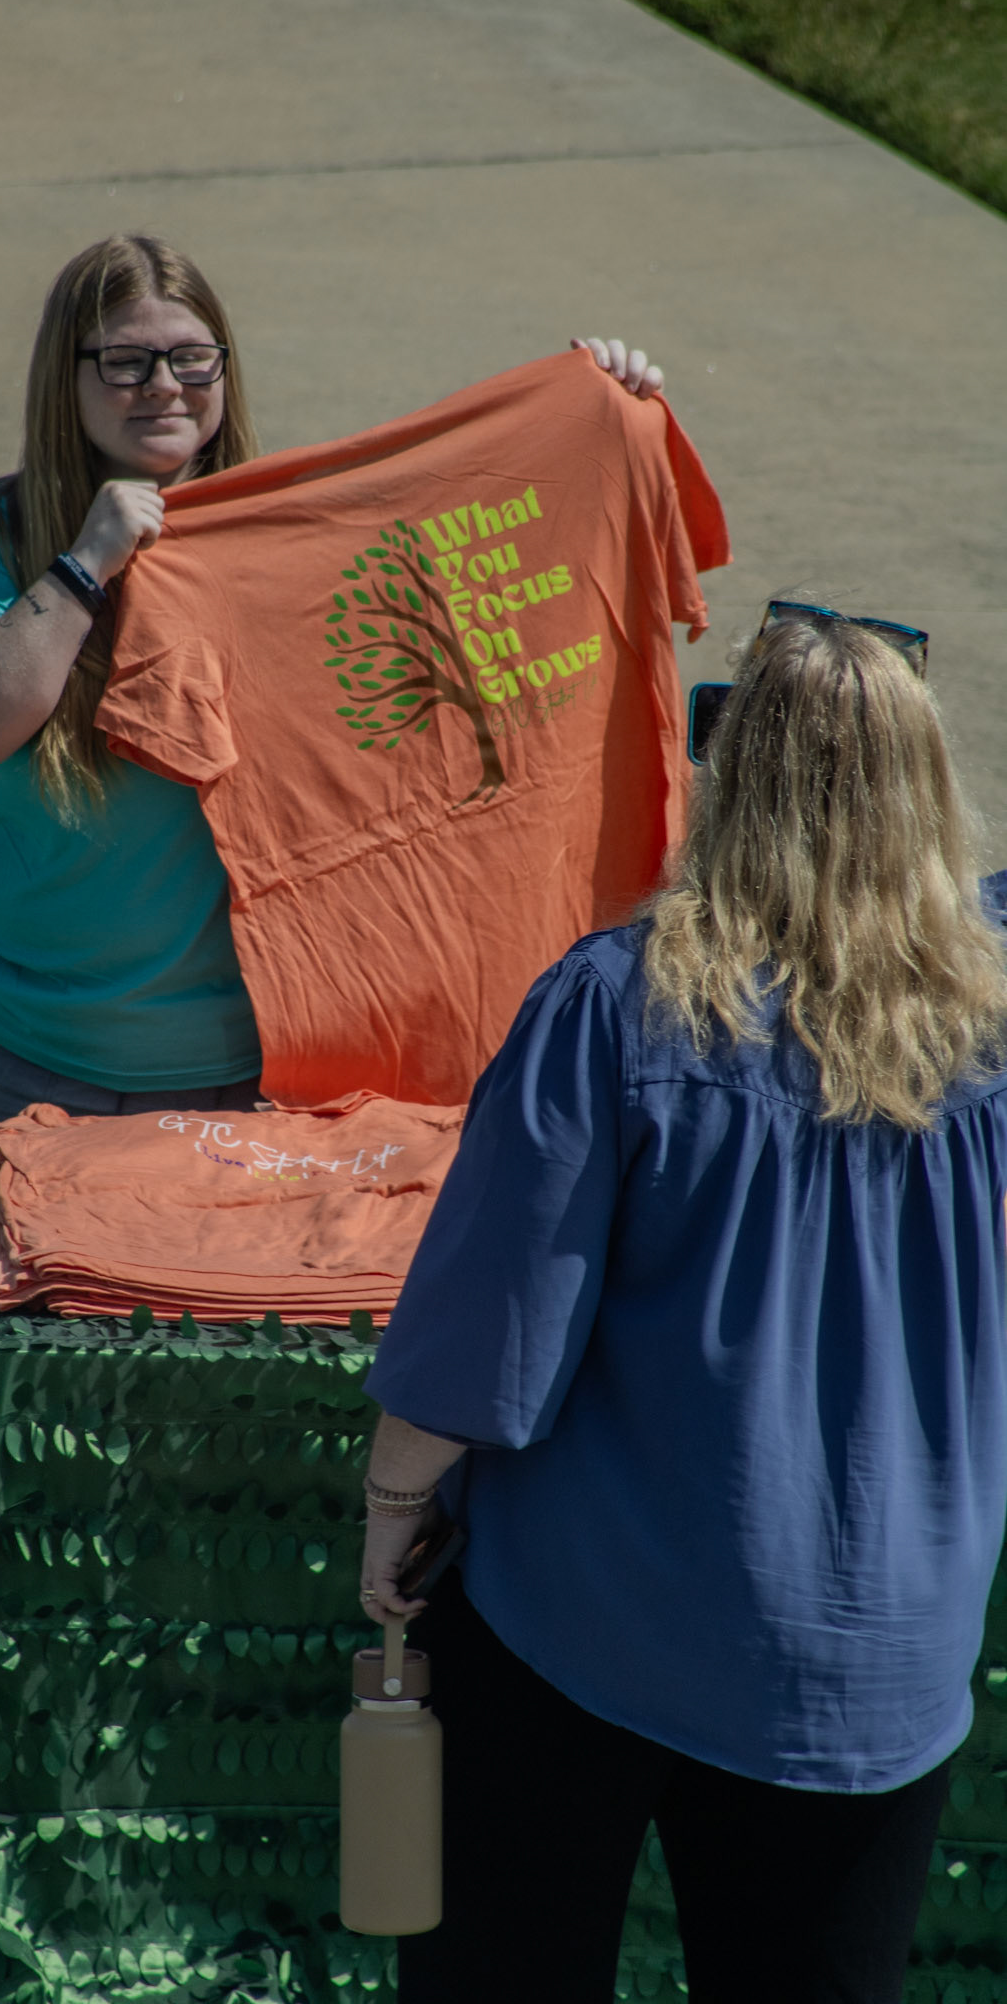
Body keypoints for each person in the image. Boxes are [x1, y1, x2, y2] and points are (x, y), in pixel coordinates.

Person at [359, 605, 1007, 2003]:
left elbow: (484, 1334)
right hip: (880, 1651)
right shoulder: (991, 1019)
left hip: (591, 1626)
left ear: (727, 772)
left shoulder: (616, 1004)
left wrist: (392, 1524)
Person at [0, 232, 666, 1128]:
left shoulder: (284, 536)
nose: (163, 384)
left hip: (271, 1067)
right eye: (124, 361)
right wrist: (83, 564)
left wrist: (596, 412)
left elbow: (480, 586)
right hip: (41, 1064)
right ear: (62, 378)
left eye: (191, 358)